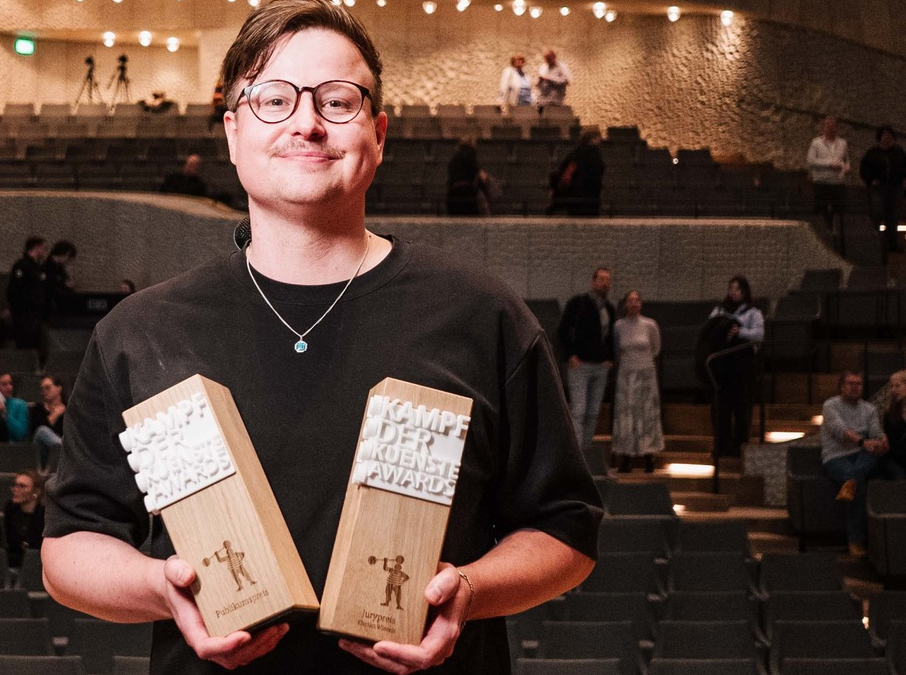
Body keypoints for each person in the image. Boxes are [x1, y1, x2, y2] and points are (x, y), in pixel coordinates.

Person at [42, 2, 601, 674]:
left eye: (338, 100)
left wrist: (472, 593)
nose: (306, 123)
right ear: (231, 131)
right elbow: (69, 547)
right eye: (273, 99)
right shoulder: (139, 332)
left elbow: (566, 529)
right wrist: (160, 587)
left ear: (379, 132)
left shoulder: (483, 317)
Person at [820, 371, 888, 558]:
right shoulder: (831, 405)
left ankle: (851, 481)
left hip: (863, 456)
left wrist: (882, 439)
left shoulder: (869, 409)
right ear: (841, 386)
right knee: (860, 485)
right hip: (837, 457)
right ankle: (855, 541)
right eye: (850, 383)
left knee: (873, 455)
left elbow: (875, 431)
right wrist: (863, 442)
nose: (854, 387)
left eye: (858, 384)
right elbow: (840, 431)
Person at [557, 267, 615, 453]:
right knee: (579, 411)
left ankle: (586, 452)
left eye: (608, 280)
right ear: (593, 282)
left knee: (593, 413)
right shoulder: (578, 303)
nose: (605, 283)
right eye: (601, 279)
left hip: (600, 366)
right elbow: (563, 330)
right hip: (580, 364)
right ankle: (576, 454)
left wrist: (610, 358)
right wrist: (570, 355)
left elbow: (611, 337)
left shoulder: (610, 309)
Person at [705, 275, 764, 458]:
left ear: (744, 291)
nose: (733, 292)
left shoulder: (753, 312)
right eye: (731, 288)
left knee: (741, 408)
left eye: (737, 289)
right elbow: (709, 329)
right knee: (721, 408)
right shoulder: (719, 311)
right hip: (723, 367)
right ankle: (721, 445)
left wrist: (741, 332)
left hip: (743, 367)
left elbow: (759, 334)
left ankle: (739, 447)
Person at [611, 290, 663, 473]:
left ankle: (649, 457)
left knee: (647, 415)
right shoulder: (618, 326)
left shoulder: (650, 325)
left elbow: (656, 348)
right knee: (626, 415)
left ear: (641, 304)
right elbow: (617, 349)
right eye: (630, 300)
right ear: (625, 304)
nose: (634, 303)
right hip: (626, 374)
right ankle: (626, 458)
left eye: (637, 300)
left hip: (646, 374)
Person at [859, 125, 906, 255]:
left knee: (893, 217)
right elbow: (864, 169)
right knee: (877, 214)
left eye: (889, 135)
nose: (887, 138)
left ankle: (893, 244)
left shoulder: (899, 152)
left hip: (895, 188)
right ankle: (874, 243)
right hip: (878, 189)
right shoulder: (872, 153)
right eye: (884, 135)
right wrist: (871, 180)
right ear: (879, 137)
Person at [806, 117, 850, 246]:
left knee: (840, 210)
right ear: (823, 127)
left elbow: (846, 159)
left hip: (838, 182)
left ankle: (839, 238)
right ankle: (823, 238)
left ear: (837, 128)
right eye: (828, 125)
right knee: (821, 210)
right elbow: (811, 160)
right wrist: (829, 164)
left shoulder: (843, 143)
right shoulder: (816, 143)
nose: (830, 128)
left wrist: (846, 167)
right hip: (821, 182)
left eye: (833, 125)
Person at [547, 128, 604, 216]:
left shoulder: (575, 152)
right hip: (590, 194)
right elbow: (597, 172)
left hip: (574, 193)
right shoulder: (594, 153)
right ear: (593, 139)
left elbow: (563, 169)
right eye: (598, 138)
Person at [7, 236, 48, 349]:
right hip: (24, 313)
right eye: (43, 248)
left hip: (36, 313)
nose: (45, 252)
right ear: (37, 248)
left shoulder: (39, 268)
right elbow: (14, 290)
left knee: (35, 344)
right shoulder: (22, 266)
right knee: (25, 344)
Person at [4, 469, 46, 567]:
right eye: (15, 485)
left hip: (38, 565)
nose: (16, 489)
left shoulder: (44, 515)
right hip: (14, 564)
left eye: (22, 486)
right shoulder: (10, 509)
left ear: (36, 492)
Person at [445, 136, 489, 216]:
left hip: (453, 193)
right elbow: (474, 172)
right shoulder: (471, 153)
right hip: (466, 192)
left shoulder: (454, 158)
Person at [30, 375, 65, 469]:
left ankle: (63, 449)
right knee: (42, 430)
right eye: (42, 389)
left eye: (48, 388)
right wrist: (55, 415)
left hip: (58, 452)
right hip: (41, 450)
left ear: (59, 388)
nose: (44, 392)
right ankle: (66, 452)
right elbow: (36, 431)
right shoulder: (37, 408)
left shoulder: (69, 410)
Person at [880, 370, 906, 480]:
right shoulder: (889, 413)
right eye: (891, 386)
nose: (893, 390)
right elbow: (893, 445)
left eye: (897, 386)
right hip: (895, 458)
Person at [43, 240, 77, 323]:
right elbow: (48, 285)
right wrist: (64, 284)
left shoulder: (59, 268)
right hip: (49, 306)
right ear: (66, 254)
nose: (68, 261)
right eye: (69, 257)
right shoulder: (47, 267)